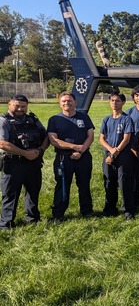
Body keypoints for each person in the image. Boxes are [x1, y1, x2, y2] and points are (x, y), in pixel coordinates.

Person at [0, 95, 48, 230]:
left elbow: (46, 136)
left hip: (33, 163)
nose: (20, 109)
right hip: (13, 163)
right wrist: (26, 153)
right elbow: (3, 143)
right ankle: (6, 223)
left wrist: (40, 151)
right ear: (9, 104)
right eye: (17, 106)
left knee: (33, 192)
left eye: (23, 106)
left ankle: (33, 219)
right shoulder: (3, 120)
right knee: (10, 194)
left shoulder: (33, 120)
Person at [48, 92, 95, 221]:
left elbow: (90, 136)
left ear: (75, 102)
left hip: (83, 156)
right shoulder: (54, 119)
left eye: (69, 101)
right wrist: (73, 147)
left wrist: (81, 151)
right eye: (63, 101)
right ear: (60, 103)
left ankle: (87, 211)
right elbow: (54, 140)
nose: (66, 103)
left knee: (84, 184)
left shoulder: (84, 117)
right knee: (62, 185)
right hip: (63, 158)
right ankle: (59, 213)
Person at [99, 92, 135, 220]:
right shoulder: (106, 120)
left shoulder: (127, 119)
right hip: (108, 156)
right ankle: (110, 208)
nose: (114, 103)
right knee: (109, 182)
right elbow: (102, 139)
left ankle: (128, 210)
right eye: (112, 100)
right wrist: (110, 151)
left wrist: (116, 151)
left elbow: (126, 139)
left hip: (123, 155)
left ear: (123, 103)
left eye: (118, 101)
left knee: (124, 183)